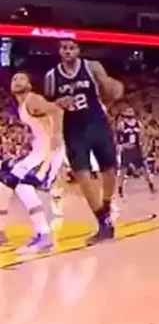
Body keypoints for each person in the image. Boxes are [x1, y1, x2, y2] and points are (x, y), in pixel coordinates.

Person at [43, 40, 123, 245]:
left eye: (72, 48)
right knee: (82, 174)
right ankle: (102, 221)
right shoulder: (51, 77)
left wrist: (112, 90)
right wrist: (57, 104)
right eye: (64, 48)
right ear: (59, 51)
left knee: (110, 169)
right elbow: (48, 106)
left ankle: (105, 204)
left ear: (78, 50)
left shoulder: (92, 67)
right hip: (74, 129)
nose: (68, 51)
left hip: (96, 122)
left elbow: (110, 91)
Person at [0, 73, 65, 255]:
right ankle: (1, 232)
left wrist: (58, 135)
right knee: (5, 184)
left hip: (49, 152)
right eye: (13, 79)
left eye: (21, 79)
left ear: (29, 85)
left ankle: (44, 235)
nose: (16, 81)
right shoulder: (22, 105)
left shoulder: (32, 99)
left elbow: (57, 111)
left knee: (23, 186)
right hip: (37, 151)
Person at [117, 107, 155, 198]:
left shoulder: (138, 124)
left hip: (136, 149)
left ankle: (151, 185)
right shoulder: (122, 124)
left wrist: (144, 146)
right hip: (127, 149)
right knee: (123, 170)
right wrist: (120, 146)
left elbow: (142, 136)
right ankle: (120, 189)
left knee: (144, 167)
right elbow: (118, 137)